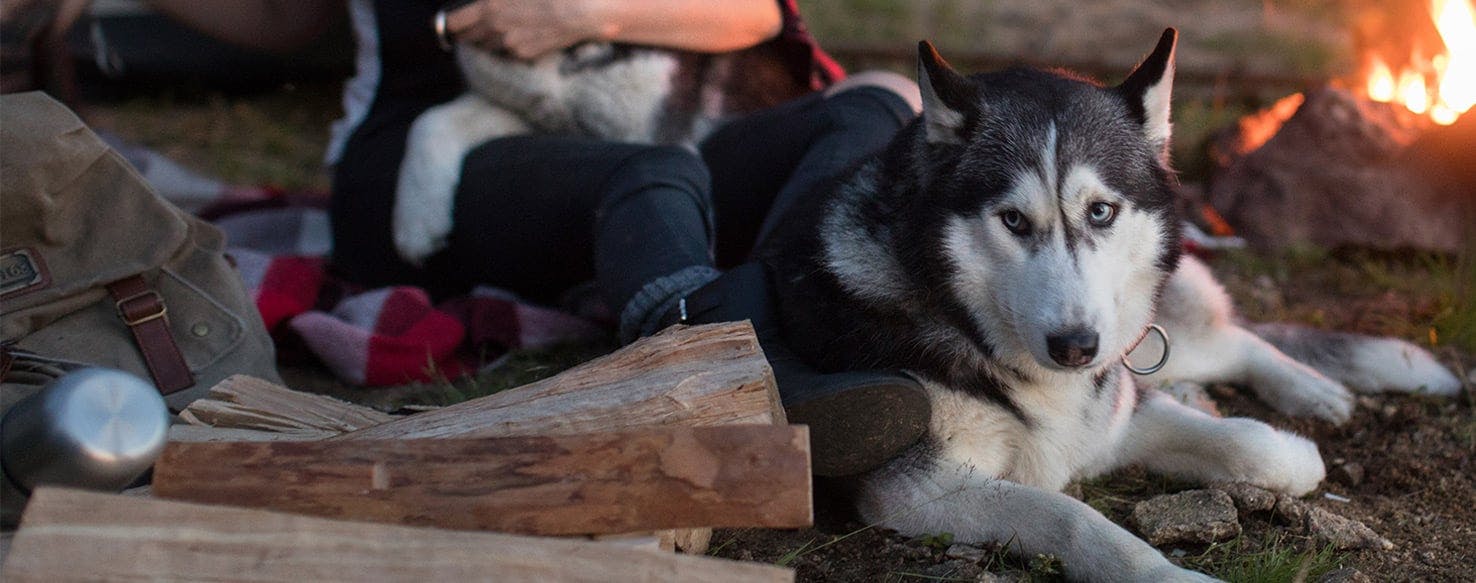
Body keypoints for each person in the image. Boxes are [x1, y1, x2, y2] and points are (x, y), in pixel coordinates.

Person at [70, 0, 932, 476]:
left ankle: (819, 328)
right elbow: (285, 20)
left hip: (650, 125)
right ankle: (745, 378)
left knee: (877, 102)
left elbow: (753, 13)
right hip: (421, 157)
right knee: (647, 177)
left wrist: (581, 14)